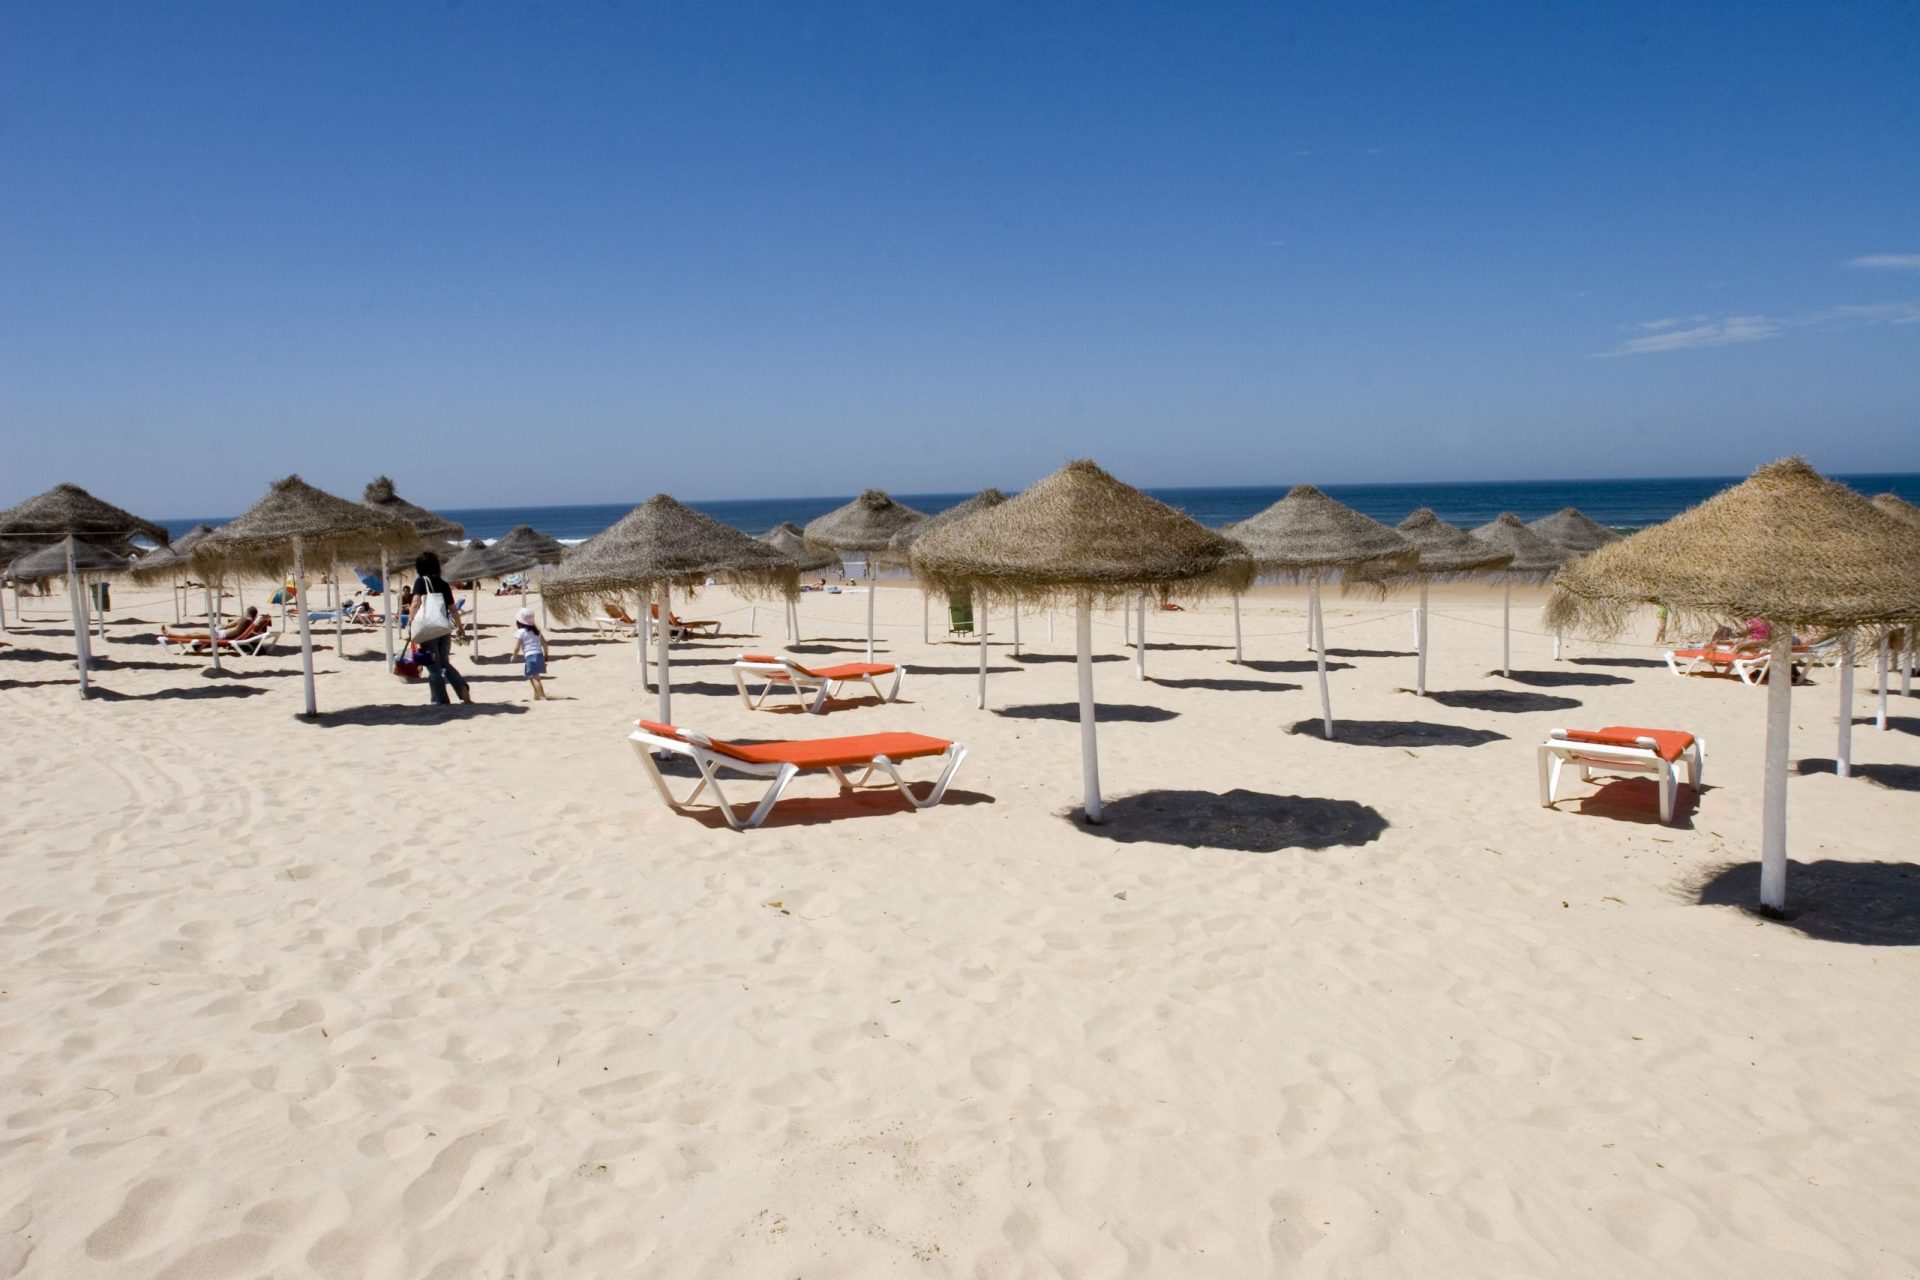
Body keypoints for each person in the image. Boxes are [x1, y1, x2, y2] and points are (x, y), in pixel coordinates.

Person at [409, 550, 471, 706]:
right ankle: (461, 686)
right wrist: (460, 627)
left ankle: (439, 700)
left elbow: (416, 602)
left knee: (433, 666)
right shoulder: (443, 584)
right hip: (444, 628)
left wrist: (410, 622)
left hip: (428, 629)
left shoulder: (421, 581)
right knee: (444, 663)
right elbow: (453, 608)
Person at [513, 606, 549, 700]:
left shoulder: (521, 632)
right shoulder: (536, 632)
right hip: (539, 655)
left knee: (535, 678)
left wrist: (514, 656)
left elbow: (517, 647)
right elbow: (545, 644)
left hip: (530, 656)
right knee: (532, 676)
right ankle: (536, 695)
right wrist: (546, 655)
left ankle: (542, 697)